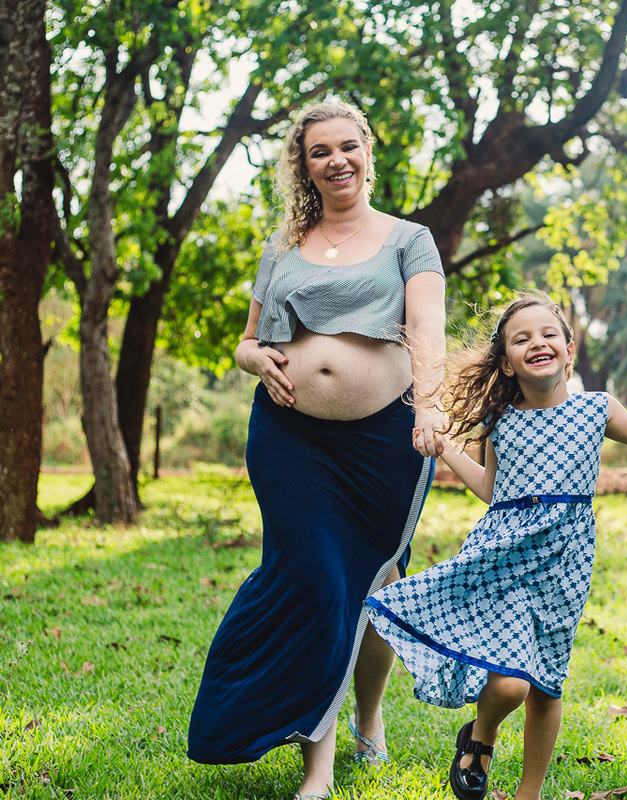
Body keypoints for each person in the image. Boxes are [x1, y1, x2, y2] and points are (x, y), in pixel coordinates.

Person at [364, 293, 627, 800]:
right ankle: (481, 738)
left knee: (546, 682)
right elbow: (492, 489)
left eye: (549, 334)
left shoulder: (597, 409)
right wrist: (446, 447)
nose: (538, 343)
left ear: (570, 350)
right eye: (522, 338)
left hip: (565, 565)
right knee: (511, 682)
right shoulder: (500, 418)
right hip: (504, 556)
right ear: (507, 362)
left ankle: (529, 792)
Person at [187, 101, 447, 800]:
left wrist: (431, 404)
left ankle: (370, 715)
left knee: (377, 585)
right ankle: (317, 769)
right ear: (303, 166)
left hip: (383, 443)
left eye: (347, 147)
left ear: (368, 151)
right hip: (290, 434)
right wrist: (255, 362)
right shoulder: (284, 245)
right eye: (319, 151)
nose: (336, 160)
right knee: (315, 579)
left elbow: (426, 326)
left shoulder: (408, 240)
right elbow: (246, 340)